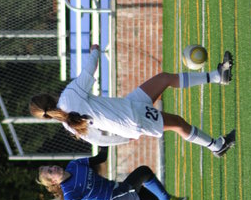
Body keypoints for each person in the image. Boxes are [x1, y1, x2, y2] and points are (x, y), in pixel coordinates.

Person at [30, 45, 236, 157]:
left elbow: (98, 141)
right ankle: (217, 146)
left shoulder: (67, 124)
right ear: (48, 96)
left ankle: (218, 76)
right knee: (178, 123)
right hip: (132, 117)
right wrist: (94, 51)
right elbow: (89, 70)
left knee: (164, 78)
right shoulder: (68, 97)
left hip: (128, 108)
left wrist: (124, 138)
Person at [38, 147, 203, 200]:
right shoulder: (69, 193)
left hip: (118, 189)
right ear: (53, 182)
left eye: (51, 166)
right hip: (115, 199)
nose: (53, 168)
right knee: (144, 172)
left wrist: (104, 134)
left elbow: (101, 157)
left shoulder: (73, 165)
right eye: (50, 172)